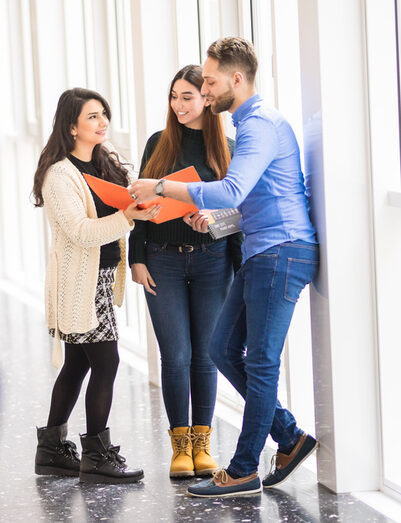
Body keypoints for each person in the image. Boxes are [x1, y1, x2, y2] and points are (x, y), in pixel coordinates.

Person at [129, 37, 319, 498]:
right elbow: (248, 202)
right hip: (262, 249)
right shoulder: (250, 124)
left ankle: (243, 469)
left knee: (260, 360)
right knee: (220, 349)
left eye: (210, 81)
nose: (205, 89)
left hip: (282, 251)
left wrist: (160, 187)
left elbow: (232, 190)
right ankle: (289, 437)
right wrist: (211, 220)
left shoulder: (257, 127)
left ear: (237, 78)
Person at [31, 88, 160, 484]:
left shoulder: (104, 164)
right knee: (106, 362)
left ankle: (51, 451)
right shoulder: (60, 176)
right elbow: (81, 232)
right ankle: (97, 454)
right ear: (71, 126)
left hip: (100, 279)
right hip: (79, 287)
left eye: (104, 114)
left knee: (78, 363)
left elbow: (126, 206)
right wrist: (127, 217)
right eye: (92, 116)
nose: (103, 122)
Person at [129, 64, 240, 479]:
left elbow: (238, 213)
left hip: (214, 263)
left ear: (206, 100)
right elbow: (140, 206)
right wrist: (136, 258)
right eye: (174, 97)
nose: (178, 105)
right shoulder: (158, 144)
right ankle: (180, 447)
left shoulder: (225, 148)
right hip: (162, 260)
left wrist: (231, 254)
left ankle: (203, 443)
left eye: (187, 97)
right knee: (175, 356)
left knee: (206, 356)